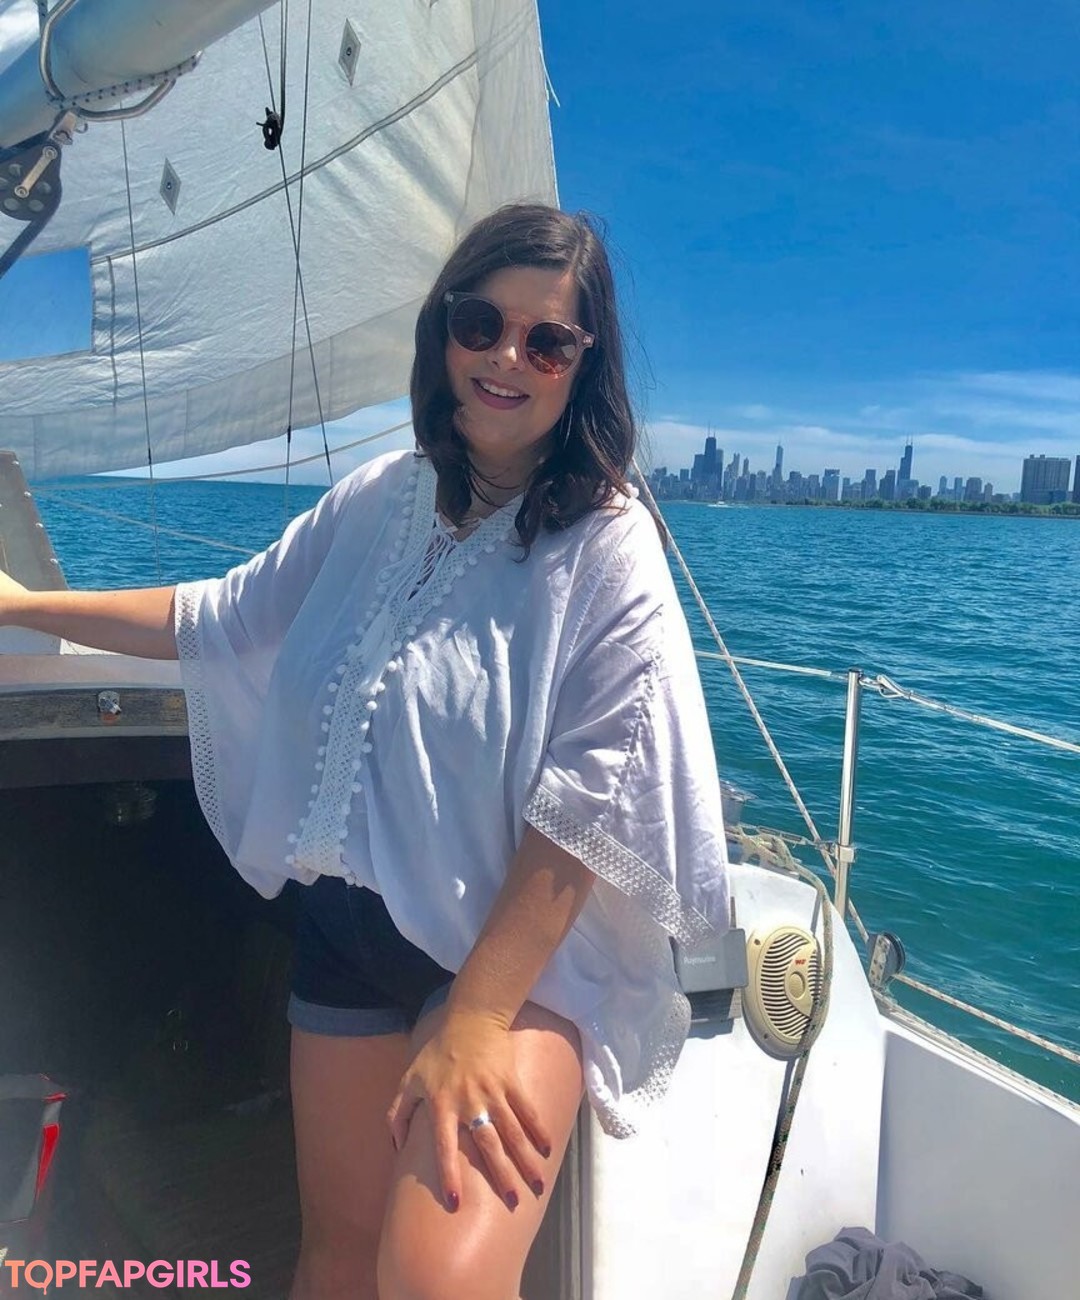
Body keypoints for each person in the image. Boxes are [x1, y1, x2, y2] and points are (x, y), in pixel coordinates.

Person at [0, 204, 729, 1300]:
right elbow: (219, 615)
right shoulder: (380, 498)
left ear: (584, 365)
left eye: (547, 341)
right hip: (349, 935)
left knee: (435, 1278)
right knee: (335, 1257)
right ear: (444, 330)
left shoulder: (607, 543)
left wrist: (478, 1015)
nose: (507, 358)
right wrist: (19, 605)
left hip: (509, 964)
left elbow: (591, 800)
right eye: (482, 324)